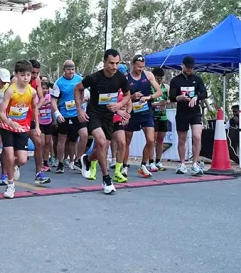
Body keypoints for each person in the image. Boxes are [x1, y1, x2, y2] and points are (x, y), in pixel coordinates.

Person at [75, 49, 131, 194]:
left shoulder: (120, 78)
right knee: (100, 142)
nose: (114, 67)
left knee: (103, 146)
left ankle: (87, 159)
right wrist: (79, 110)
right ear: (104, 62)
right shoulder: (94, 77)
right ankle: (106, 179)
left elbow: (127, 95)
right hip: (93, 114)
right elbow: (78, 88)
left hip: (109, 116)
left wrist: (119, 105)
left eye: (117, 63)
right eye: (111, 63)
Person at [0, 60, 47, 198]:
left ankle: (13, 166)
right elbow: (1, 112)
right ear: (16, 75)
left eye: (28, 75)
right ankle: (10, 185)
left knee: (22, 160)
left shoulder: (31, 92)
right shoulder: (10, 91)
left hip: (22, 128)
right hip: (8, 127)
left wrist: (37, 126)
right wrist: (10, 122)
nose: (26, 78)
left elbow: (34, 108)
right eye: (22, 75)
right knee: (9, 155)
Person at [123, 55, 161, 178]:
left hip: (146, 112)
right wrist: (132, 97)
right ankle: (124, 166)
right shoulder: (126, 78)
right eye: (138, 67)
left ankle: (143, 165)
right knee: (127, 140)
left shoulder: (148, 75)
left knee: (151, 140)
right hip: (132, 112)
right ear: (133, 65)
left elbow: (159, 92)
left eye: (142, 67)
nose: (140, 69)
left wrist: (148, 97)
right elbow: (122, 96)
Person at [168, 56, 208, 175]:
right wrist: (178, 98)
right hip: (182, 113)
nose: (190, 70)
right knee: (182, 139)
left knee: (197, 137)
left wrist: (196, 97)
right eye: (188, 67)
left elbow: (204, 93)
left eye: (192, 68)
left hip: (195, 112)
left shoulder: (197, 79)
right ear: (182, 66)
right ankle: (182, 163)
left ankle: (195, 163)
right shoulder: (176, 80)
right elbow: (171, 97)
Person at [51, 60, 88, 174]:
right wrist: (57, 114)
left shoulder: (79, 79)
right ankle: (60, 163)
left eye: (72, 69)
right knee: (62, 139)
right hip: (64, 114)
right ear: (64, 70)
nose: (71, 72)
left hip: (77, 113)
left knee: (84, 135)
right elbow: (53, 100)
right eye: (68, 69)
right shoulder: (58, 83)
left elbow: (83, 93)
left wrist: (82, 105)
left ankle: (78, 160)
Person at [28, 59, 47, 175]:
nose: (35, 76)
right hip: (16, 118)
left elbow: (42, 98)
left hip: (30, 118)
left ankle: (39, 172)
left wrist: (36, 108)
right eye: (33, 73)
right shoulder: (16, 80)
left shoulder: (37, 80)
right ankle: (5, 173)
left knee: (39, 142)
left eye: (37, 73)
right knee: (13, 150)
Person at [150, 67, 170, 171]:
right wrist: (158, 104)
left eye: (160, 78)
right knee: (152, 139)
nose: (159, 80)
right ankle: (150, 161)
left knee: (161, 139)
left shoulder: (166, 87)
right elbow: (147, 103)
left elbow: (170, 99)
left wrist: (167, 102)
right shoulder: (150, 88)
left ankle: (158, 161)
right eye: (157, 78)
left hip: (163, 116)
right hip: (152, 116)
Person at [38, 79, 55, 172]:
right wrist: (44, 103)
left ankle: (45, 162)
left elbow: (53, 108)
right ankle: (39, 162)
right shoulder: (37, 97)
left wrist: (54, 120)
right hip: (40, 123)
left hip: (48, 122)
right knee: (42, 143)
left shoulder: (50, 96)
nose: (44, 90)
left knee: (48, 143)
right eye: (43, 88)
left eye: (46, 88)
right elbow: (36, 107)